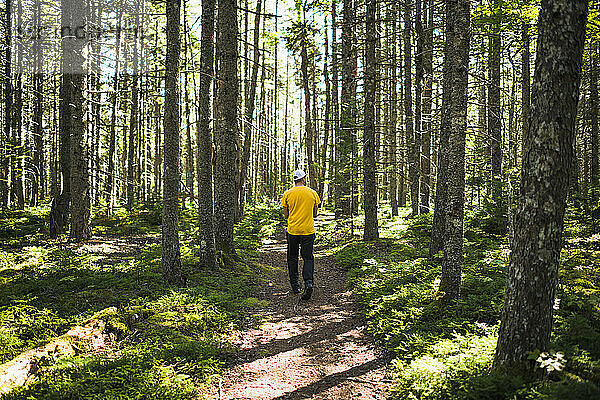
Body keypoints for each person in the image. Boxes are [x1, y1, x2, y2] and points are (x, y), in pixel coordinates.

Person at [281, 169, 321, 300]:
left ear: (294, 180)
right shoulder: (313, 193)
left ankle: (295, 285)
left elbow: (286, 215)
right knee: (308, 257)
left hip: (293, 230)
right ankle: (308, 282)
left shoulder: (287, 194)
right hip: (308, 231)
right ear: (303, 179)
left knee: (292, 257)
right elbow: (315, 214)